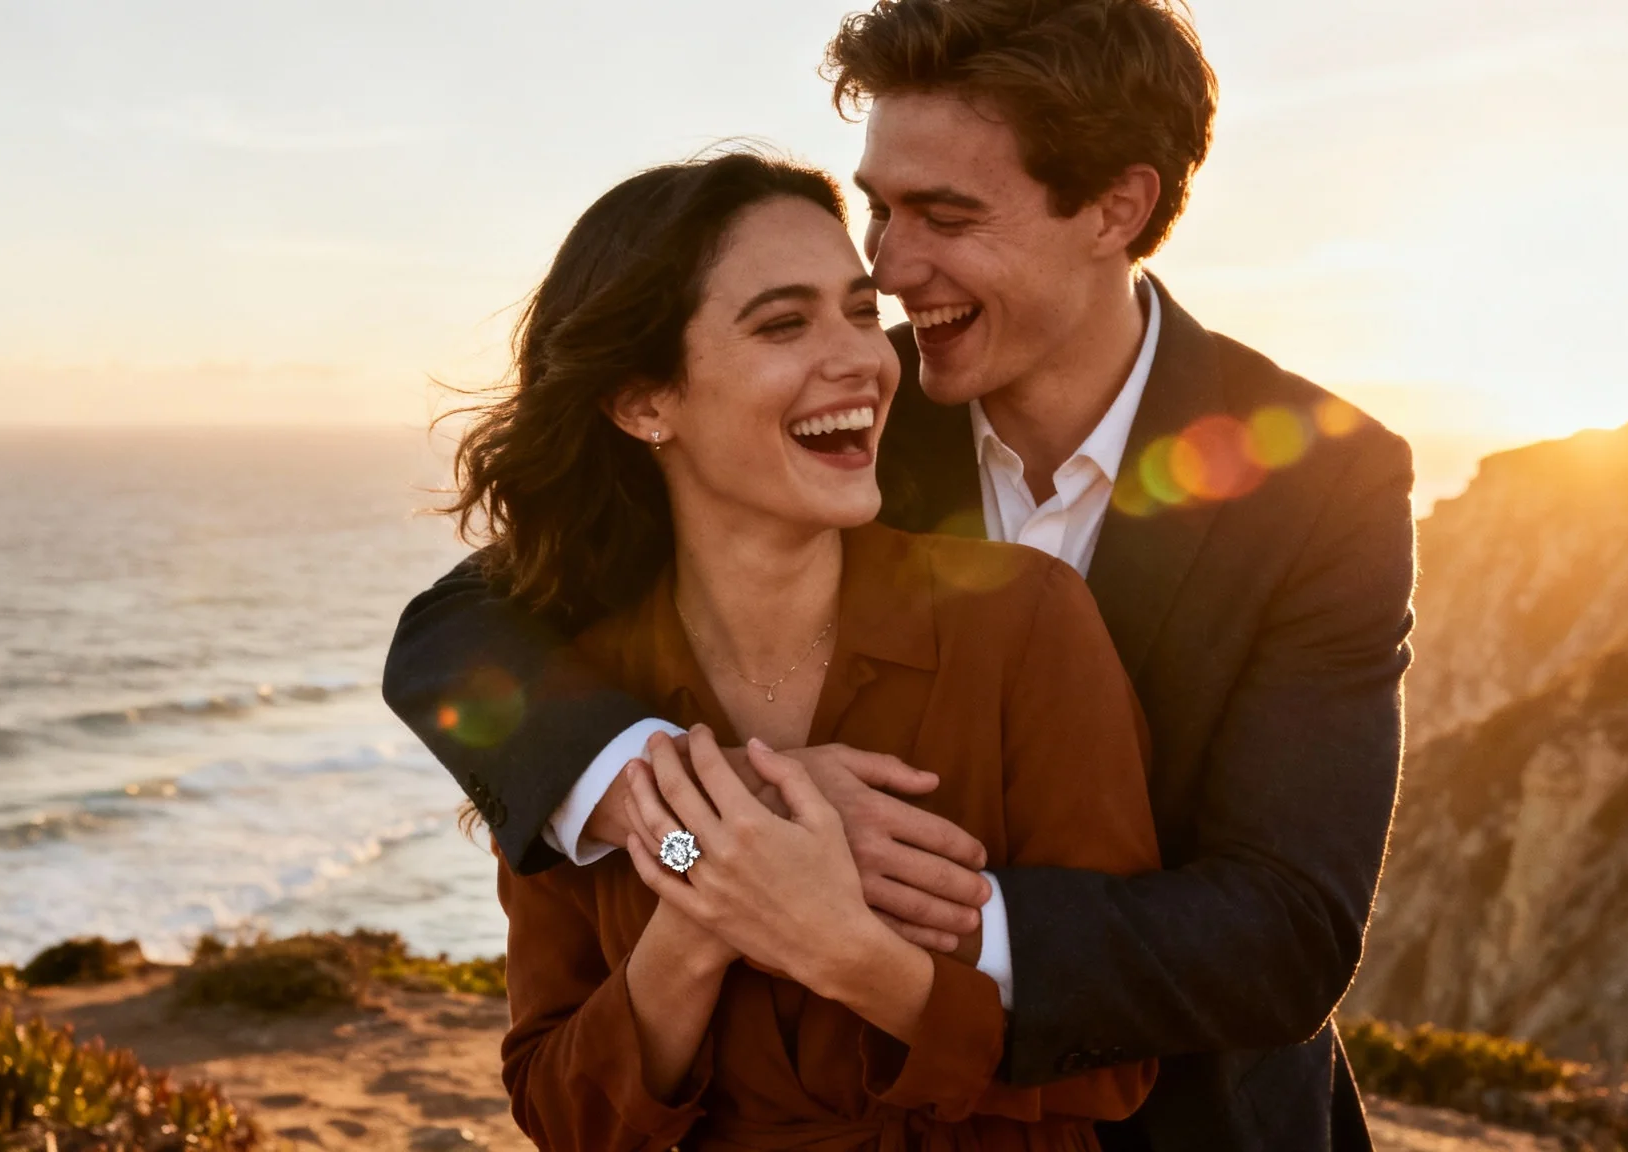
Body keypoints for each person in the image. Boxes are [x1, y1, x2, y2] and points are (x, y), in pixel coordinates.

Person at [385, 2, 1416, 1148]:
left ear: (1114, 208)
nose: (885, 264)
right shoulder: (832, 422)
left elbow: (1283, 935)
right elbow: (452, 634)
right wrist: (686, 804)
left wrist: (850, 909)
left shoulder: (1321, 480)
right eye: (879, 207)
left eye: (945, 215)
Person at [449, 152, 1160, 1150]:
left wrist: (846, 951)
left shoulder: (1024, 621)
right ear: (644, 401)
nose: (864, 359)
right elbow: (561, 1111)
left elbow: (1117, 1060)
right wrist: (702, 898)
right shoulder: (570, 707)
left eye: (862, 314)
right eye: (783, 324)